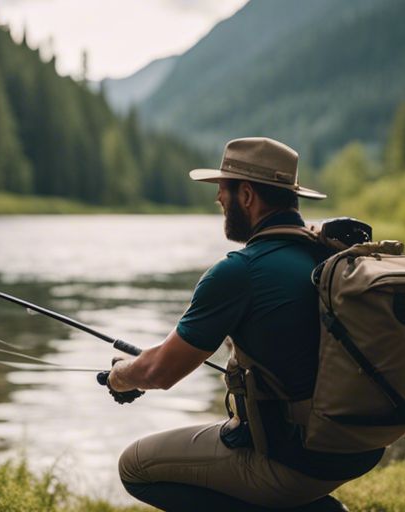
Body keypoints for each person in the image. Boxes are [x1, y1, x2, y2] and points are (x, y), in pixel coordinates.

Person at [103, 137, 383, 511]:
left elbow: (159, 372)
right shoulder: (328, 256)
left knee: (135, 466)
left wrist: (120, 377)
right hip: (359, 447)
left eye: (223, 189)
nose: (218, 199)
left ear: (247, 195)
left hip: (298, 460)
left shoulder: (240, 271)